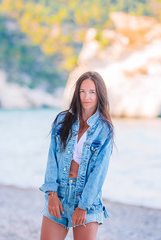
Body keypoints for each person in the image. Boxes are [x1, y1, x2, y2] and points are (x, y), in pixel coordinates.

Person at [39, 71, 114, 240]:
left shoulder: (104, 130)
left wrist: (84, 205)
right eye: (82, 91)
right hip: (59, 195)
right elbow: (52, 159)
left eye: (92, 92)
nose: (86, 96)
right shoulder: (62, 120)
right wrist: (52, 194)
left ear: (99, 95)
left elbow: (99, 173)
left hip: (86, 201)